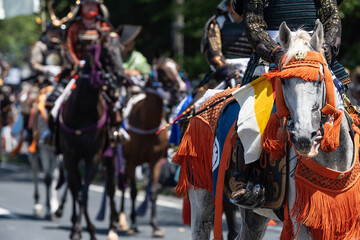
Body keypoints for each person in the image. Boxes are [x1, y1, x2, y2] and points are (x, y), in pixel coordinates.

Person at [230, 0, 350, 205]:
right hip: (272, 56)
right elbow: (253, 22)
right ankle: (245, 177)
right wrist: (275, 53)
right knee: (251, 118)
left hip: (314, 53)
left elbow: (332, 16)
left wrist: (328, 46)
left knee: (350, 111)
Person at [199, 0, 252, 90]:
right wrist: (226, 69)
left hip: (250, 71)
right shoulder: (217, 21)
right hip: (222, 73)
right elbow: (214, 53)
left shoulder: (254, 23)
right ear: (229, 3)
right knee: (197, 103)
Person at [29, 21, 64, 87]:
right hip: (42, 80)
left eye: (57, 32)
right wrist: (46, 69)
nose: (54, 34)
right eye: (52, 32)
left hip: (59, 79)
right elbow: (34, 64)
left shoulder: (62, 46)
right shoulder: (39, 46)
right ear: (47, 33)